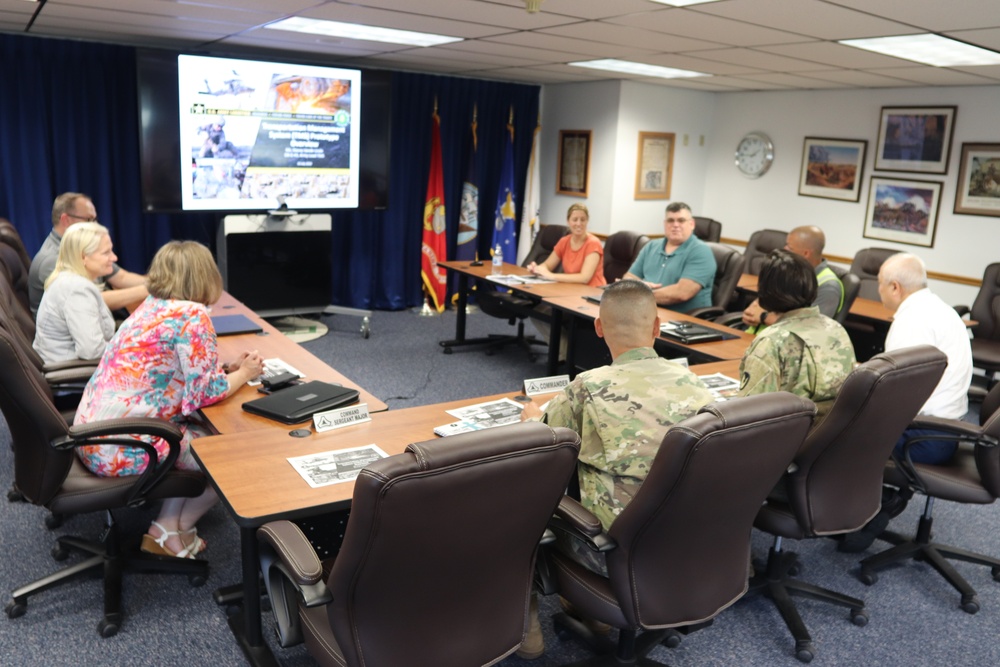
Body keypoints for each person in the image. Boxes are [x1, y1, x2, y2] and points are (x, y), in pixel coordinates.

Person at [517, 280, 715, 659]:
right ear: (657, 328)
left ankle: (523, 619)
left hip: (611, 552)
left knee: (521, 501)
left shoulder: (588, 387)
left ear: (598, 327)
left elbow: (539, 446)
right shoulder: (693, 384)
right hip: (690, 542)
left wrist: (530, 417)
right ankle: (591, 610)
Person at [74, 241, 264, 559]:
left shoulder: (150, 305)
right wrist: (245, 372)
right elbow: (204, 394)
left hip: (90, 435)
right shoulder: (191, 316)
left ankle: (167, 528)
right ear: (205, 276)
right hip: (126, 446)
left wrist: (223, 370)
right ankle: (172, 529)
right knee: (229, 453)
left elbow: (170, 370)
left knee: (195, 432)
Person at [838, 252, 973, 553]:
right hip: (946, 428)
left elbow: (892, 394)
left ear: (895, 287)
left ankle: (859, 512)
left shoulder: (912, 322)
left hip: (923, 437)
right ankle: (877, 499)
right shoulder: (939, 309)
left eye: (882, 285)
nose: (880, 291)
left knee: (835, 431)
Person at [738, 250, 855, 423]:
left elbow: (747, 414)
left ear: (766, 290)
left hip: (787, 442)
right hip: (830, 438)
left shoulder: (772, 341)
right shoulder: (835, 328)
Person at [28, 192, 149, 315]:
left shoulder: (85, 246)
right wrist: (150, 289)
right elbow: (91, 300)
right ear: (66, 220)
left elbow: (121, 277)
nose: (95, 225)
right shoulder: (52, 259)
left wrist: (160, 282)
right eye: (89, 219)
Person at [32, 222, 116, 365]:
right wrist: (129, 350)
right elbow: (92, 351)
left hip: (78, 369)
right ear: (83, 257)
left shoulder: (70, 280)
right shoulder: (77, 290)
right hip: (76, 378)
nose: (114, 258)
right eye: (106, 253)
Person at [742, 225, 845, 328]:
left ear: (806, 253)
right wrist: (751, 314)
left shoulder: (829, 287)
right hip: (757, 337)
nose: (784, 250)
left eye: (789, 248)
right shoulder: (787, 272)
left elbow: (810, 328)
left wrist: (763, 317)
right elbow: (756, 308)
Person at [623, 202, 716, 313]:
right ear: (664, 223)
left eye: (681, 220)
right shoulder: (651, 246)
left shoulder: (701, 251)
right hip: (646, 310)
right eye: (670, 220)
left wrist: (640, 293)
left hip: (683, 320)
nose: (675, 225)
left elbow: (682, 293)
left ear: (692, 224)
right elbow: (628, 278)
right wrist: (638, 289)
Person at [527, 203, 606, 287]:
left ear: (587, 221)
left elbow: (584, 278)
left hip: (593, 293)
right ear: (568, 221)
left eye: (583, 220)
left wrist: (552, 276)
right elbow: (547, 265)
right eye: (575, 220)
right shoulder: (564, 241)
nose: (579, 223)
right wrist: (537, 269)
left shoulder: (593, 243)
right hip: (571, 290)